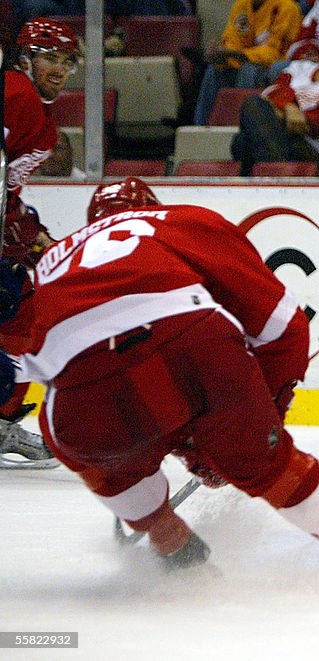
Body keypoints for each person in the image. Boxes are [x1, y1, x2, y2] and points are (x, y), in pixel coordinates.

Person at [0, 178, 319, 574]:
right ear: (153, 206)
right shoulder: (180, 220)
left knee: (86, 448)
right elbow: (282, 323)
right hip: (190, 338)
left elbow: (24, 353)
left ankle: (169, 540)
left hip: (81, 380)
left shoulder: (54, 260)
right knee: (266, 464)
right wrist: (263, 416)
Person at [1, 18, 80, 470]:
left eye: (67, 61)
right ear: (26, 59)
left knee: (24, 320)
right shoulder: (14, 93)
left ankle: (4, 421)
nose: (60, 68)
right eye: (50, 57)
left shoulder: (33, 105)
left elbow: (7, 186)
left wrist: (25, 225)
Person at [232, 38, 319, 176]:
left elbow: (317, 121)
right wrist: (289, 106)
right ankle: (278, 174)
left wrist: (281, 107)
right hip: (280, 132)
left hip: (310, 145)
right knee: (242, 139)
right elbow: (271, 92)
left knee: (245, 140)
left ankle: (276, 176)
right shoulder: (300, 67)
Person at [192, 0, 302, 126]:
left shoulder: (287, 8)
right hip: (245, 63)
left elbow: (275, 53)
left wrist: (238, 55)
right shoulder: (242, 6)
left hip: (276, 72)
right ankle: (200, 128)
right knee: (216, 68)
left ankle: (241, 128)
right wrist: (222, 55)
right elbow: (233, 41)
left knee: (250, 69)